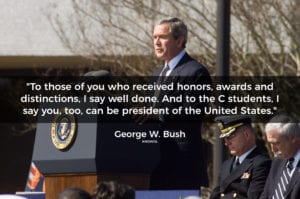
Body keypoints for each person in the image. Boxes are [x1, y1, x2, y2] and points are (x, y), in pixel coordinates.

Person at [135, 17, 211, 189]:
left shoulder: (196, 72)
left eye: (162, 37)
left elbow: (193, 113)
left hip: (182, 165)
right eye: (154, 37)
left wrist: (159, 114)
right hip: (154, 164)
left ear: (179, 40)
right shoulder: (157, 74)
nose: (156, 42)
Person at [210, 115, 271, 199]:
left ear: (247, 135)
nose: (227, 143)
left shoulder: (261, 163)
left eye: (230, 136)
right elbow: (215, 195)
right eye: (225, 138)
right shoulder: (226, 165)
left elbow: (254, 196)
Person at [260, 114, 300, 199]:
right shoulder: (277, 162)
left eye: (276, 143)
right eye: (270, 143)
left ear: (292, 138)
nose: (273, 149)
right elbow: (265, 195)